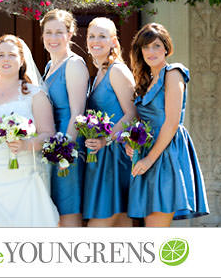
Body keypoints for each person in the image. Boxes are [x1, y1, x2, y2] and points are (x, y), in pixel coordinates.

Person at [0, 34, 59, 227]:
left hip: (21, 178)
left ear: (21, 60)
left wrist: (25, 144)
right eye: (1, 55)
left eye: (12, 55)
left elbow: (48, 134)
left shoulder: (35, 94)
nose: (6, 59)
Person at [125, 23, 209, 226]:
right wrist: (131, 143)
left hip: (166, 153)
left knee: (156, 227)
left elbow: (171, 123)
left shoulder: (173, 74)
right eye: (145, 47)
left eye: (155, 46)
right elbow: (141, 121)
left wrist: (148, 160)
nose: (151, 51)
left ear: (166, 48)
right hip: (148, 152)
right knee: (151, 224)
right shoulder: (146, 80)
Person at [82, 17, 137, 227]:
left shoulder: (117, 70)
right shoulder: (98, 73)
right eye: (92, 36)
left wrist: (106, 139)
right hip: (102, 157)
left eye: (102, 36)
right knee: (120, 223)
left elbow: (132, 113)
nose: (96, 41)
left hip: (115, 155)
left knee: (101, 224)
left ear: (113, 41)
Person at [40, 9, 89, 227]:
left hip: (68, 145)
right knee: (55, 214)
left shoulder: (74, 64)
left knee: (68, 212)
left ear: (70, 34)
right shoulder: (50, 66)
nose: (52, 38)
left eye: (58, 32)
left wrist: (64, 153)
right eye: (48, 32)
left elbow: (77, 112)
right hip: (52, 145)